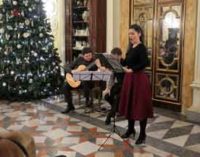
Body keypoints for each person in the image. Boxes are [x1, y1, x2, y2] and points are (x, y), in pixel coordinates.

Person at [119, 24, 153, 145]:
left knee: (140, 106)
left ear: (139, 33)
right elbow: (127, 63)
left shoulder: (142, 47)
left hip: (139, 80)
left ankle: (143, 134)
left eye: (132, 33)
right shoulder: (131, 47)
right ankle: (130, 129)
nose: (130, 36)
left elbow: (145, 63)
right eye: (129, 34)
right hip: (129, 79)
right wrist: (118, 59)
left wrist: (132, 70)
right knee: (130, 104)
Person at [62, 47, 102, 114]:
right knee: (65, 86)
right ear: (83, 56)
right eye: (86, 56)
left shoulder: (95, 61)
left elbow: (99, 72)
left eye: (90, 55)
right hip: (77, 81)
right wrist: (72, 71)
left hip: (89, 82)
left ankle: (88, 105)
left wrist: (99, 66)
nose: (89, 57)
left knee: (85, 82)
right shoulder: (79, 59)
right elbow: (67, 67)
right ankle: (70, 106)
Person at [102, 47, 124, 125]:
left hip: (125, 86)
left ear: (119, 56)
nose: (112, 59)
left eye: (114, 57)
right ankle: (116, 110)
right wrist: (107, 88)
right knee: (106, 96)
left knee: (117, 99)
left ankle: (110, 115)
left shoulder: (124, 63)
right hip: (118, 85)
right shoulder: (113, 64)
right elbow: (112, 77)